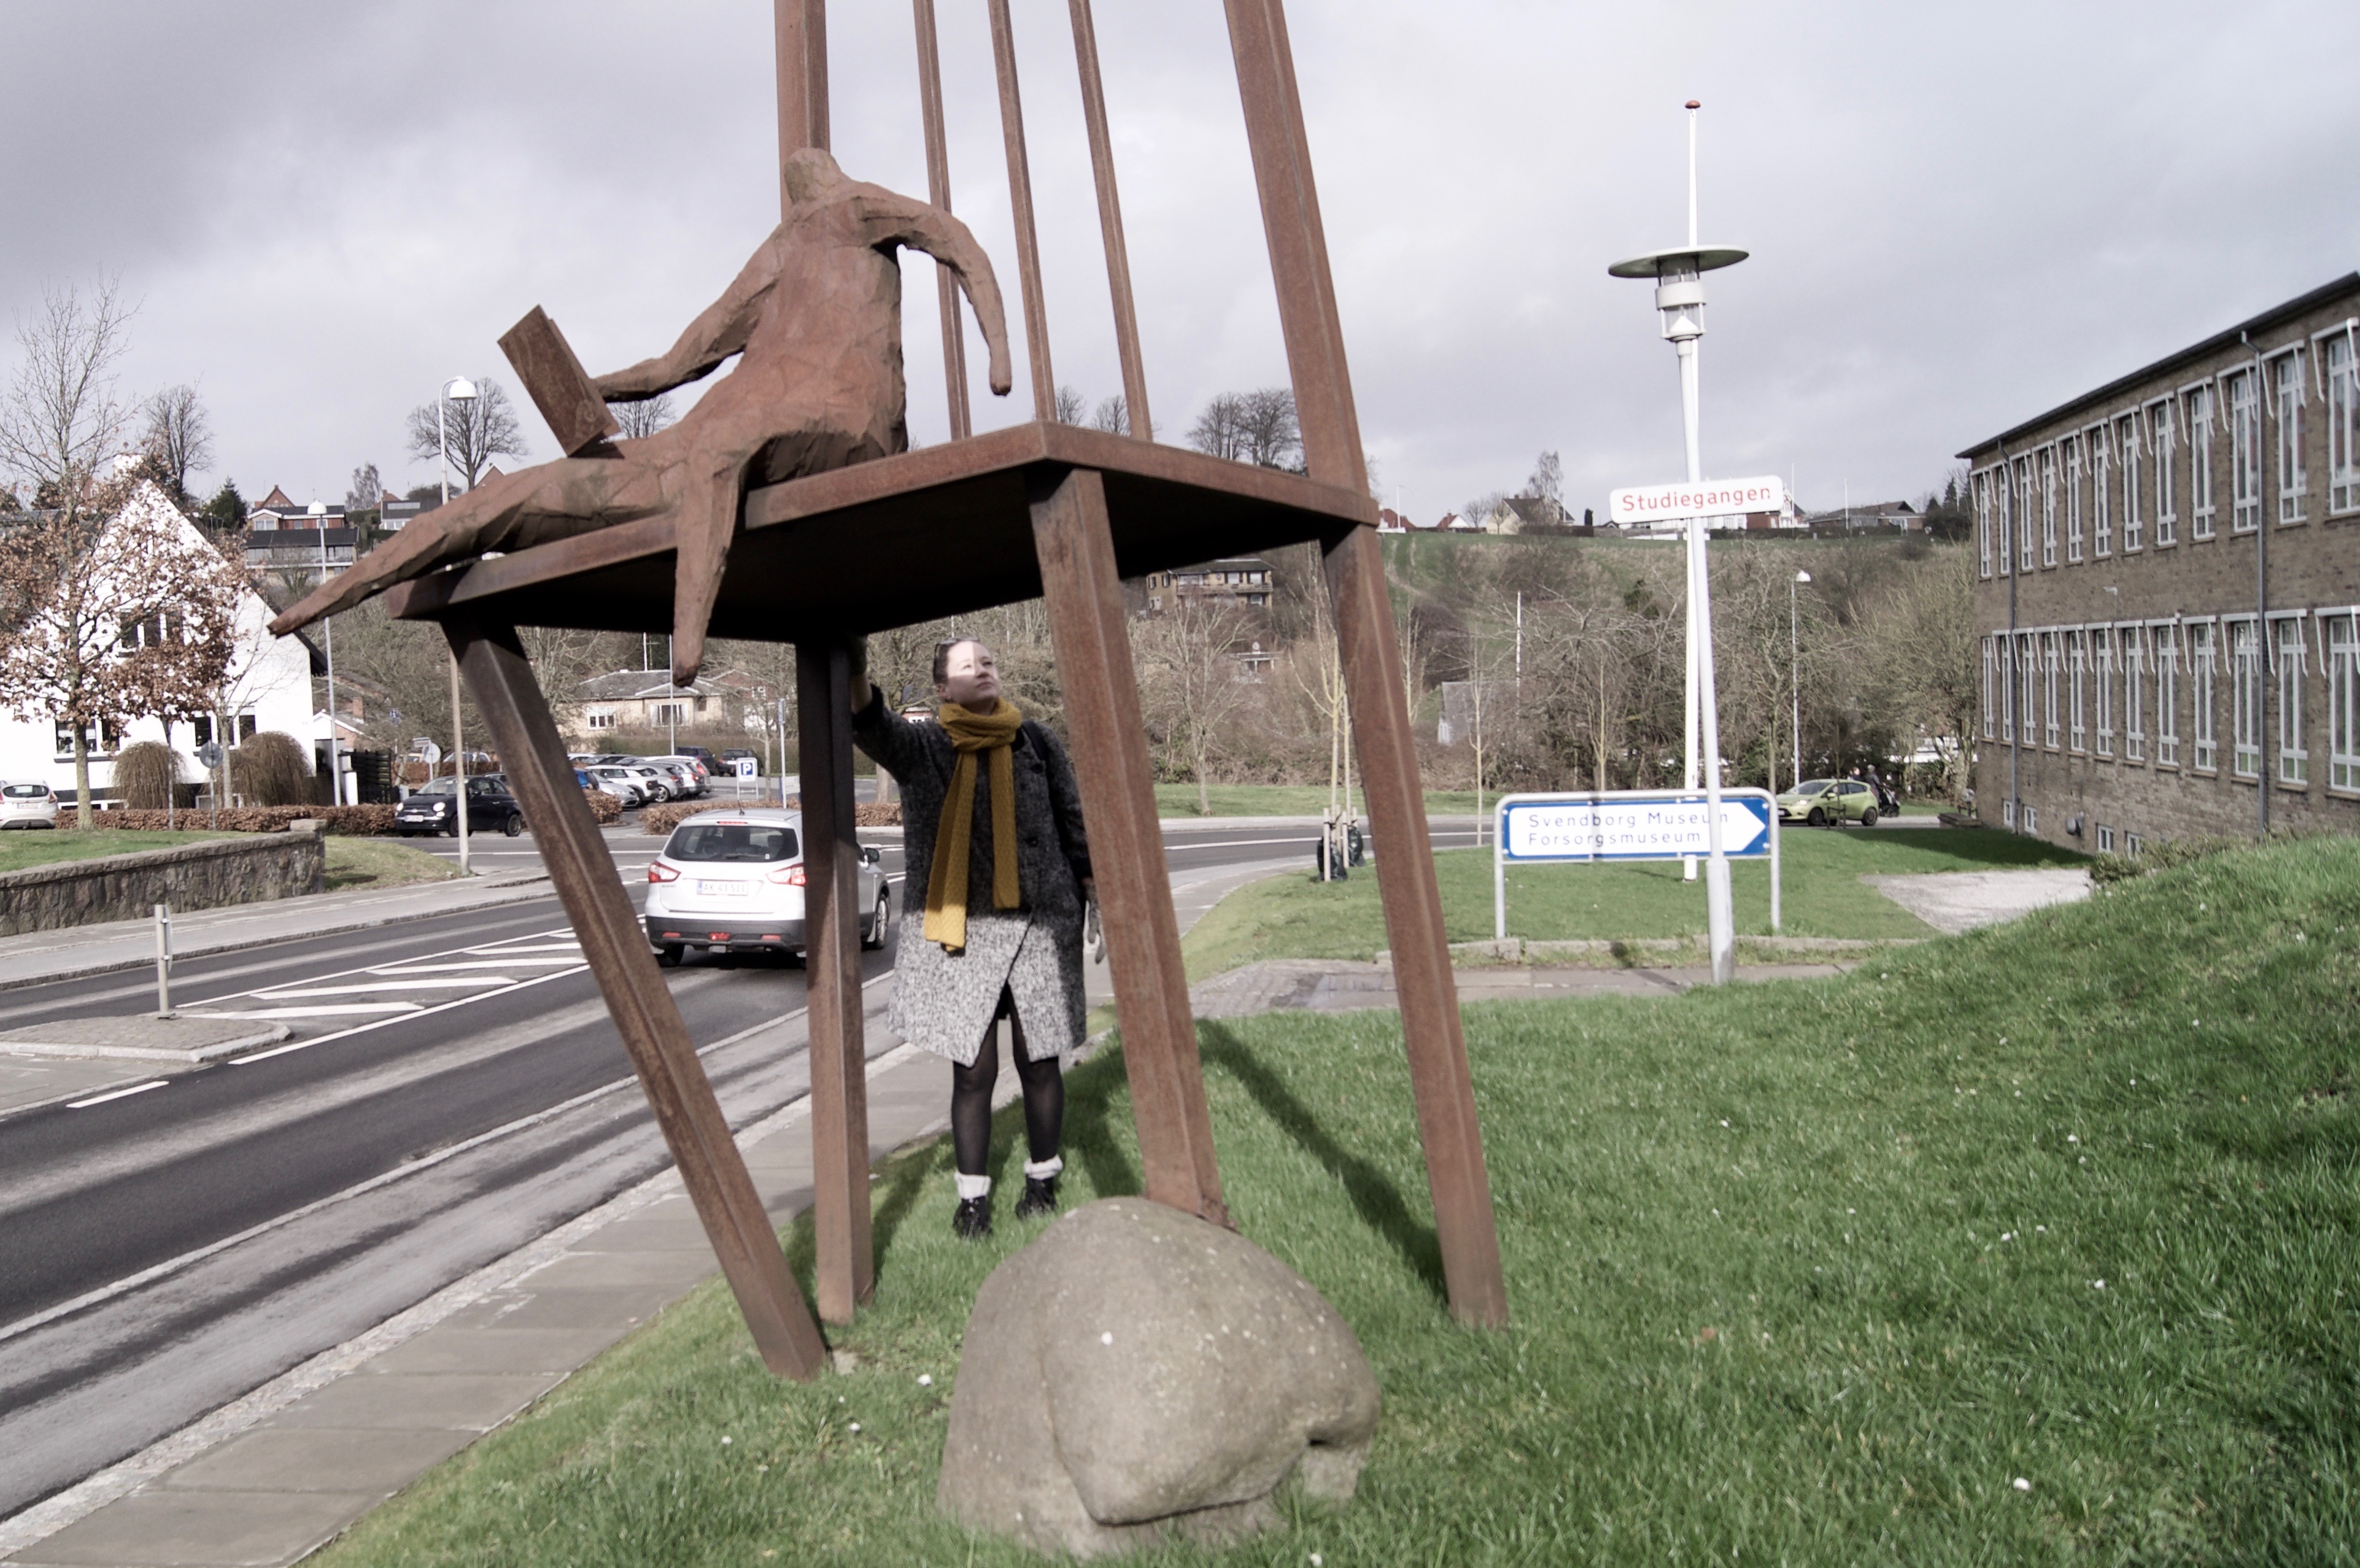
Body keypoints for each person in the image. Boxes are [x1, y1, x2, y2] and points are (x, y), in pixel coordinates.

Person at [269, 147, 1013, 686]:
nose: (809, 194)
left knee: (724, 443)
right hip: (700, 444)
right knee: (514, 492)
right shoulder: (779, 252)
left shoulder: (859, 209)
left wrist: (998, 356)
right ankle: (320, 600)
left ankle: (686, 644)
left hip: (844, 427)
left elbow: (957, 243)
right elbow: (674, 363)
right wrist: (584, 387)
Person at [848, 636, 1092, 1238]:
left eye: (988, 662)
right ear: (942, 687)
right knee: (973, 1071)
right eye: (967, 665)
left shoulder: (1036, 740)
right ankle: (973, 1201)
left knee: (1040, 1061)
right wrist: (854, 667)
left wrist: (1093, 891)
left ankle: (1042, 1181)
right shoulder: (924, 746)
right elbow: (870, 722)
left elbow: (1072, 820)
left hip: (1040, 924)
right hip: (962, 932)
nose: (983, 670)